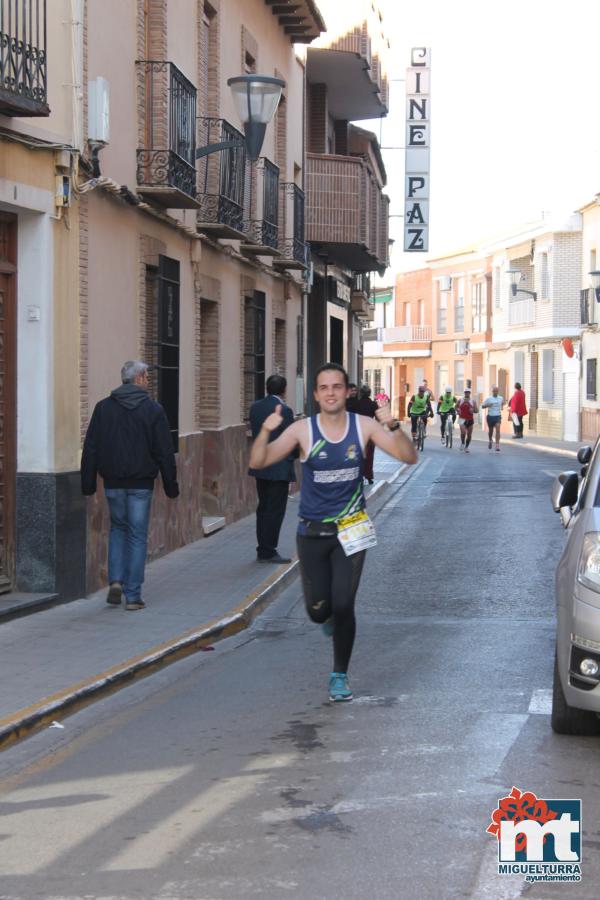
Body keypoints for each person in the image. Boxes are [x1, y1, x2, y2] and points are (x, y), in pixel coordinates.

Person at [248, 362, 417, 702]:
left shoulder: (364, 425)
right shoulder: (302, 431)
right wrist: (265, 431)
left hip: (351, 530)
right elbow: (259, 461)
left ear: (346, 391)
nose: (330, 393)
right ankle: (325, 617)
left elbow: (408, 456)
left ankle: (339, 675)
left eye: (336, 387)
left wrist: (395, 425)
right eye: (324, 387)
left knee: (344, 604)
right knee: (317, 610)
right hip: (312, 532)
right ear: (315, 394)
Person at [81, 360, 179, 610]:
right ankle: (133, 595)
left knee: (117, 530)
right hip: (141, 484)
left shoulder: (103, 408)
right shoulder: (153, 410)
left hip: (113, 483)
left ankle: (115, 581)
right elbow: (164, 451)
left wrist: (88, 483)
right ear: (139, 379)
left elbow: (91, 446)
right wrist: (170, 485)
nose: (148, 380)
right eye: (146, 376)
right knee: (136, 535)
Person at [248, 374, 296, 564]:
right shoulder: (284, 410)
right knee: (275, 510)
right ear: (284, 390)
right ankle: (268, 550)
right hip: (278, 467)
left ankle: (262, 547)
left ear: (267, 388)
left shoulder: (255, 407)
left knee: (263, 507)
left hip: (261, 465)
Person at [356, 384, 378, 484]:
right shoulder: (373, 404)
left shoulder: (357, 403)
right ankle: (369, 476)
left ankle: (359, 475)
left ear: (360, 393)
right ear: (369, 393)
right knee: (369, 455)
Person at [481, 385, 505, 451]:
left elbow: (502, 403)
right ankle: (490, 440)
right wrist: (488, 405)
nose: (495, 392)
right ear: (492, 391)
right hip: (490, 416)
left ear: (498, 391)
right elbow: (482, 406)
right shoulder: (488, 398)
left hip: (498, 416)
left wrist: (502, 405)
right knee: (491, 431)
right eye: (494, 391)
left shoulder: (501, 398)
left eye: (496, 391)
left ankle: (497, 445)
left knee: (498, 429)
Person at [457, 387, 478, 453]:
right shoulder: (460, 400)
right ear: (464, 393)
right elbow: (456, 407)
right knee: (463, 432)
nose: (467, 393)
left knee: (469, 435)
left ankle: (466, 447)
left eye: (468, 392)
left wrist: (473, 410)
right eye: (466, 392)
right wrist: (458, 410)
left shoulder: (473, 401)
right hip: (461, 418)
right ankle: (462, 443)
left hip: (470, 419)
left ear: (470, 393)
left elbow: (476, 410)